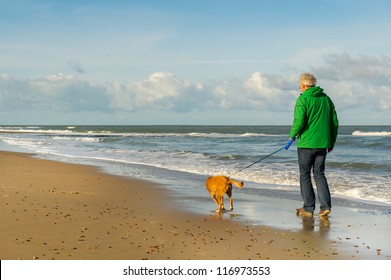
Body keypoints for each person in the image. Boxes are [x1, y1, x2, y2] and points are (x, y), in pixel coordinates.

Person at [289, 73, 339, 218]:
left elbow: (299, 121)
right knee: (319, 174)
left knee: (305, 175)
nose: (300, 88)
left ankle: (308, 208)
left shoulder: (302, 99)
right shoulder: (326, 99)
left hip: (306, 144)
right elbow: (334, 122)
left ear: (303, 86)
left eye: (300, 85)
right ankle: (325, 207)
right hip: (323, 144)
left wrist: (292, 135)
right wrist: (331, 142)